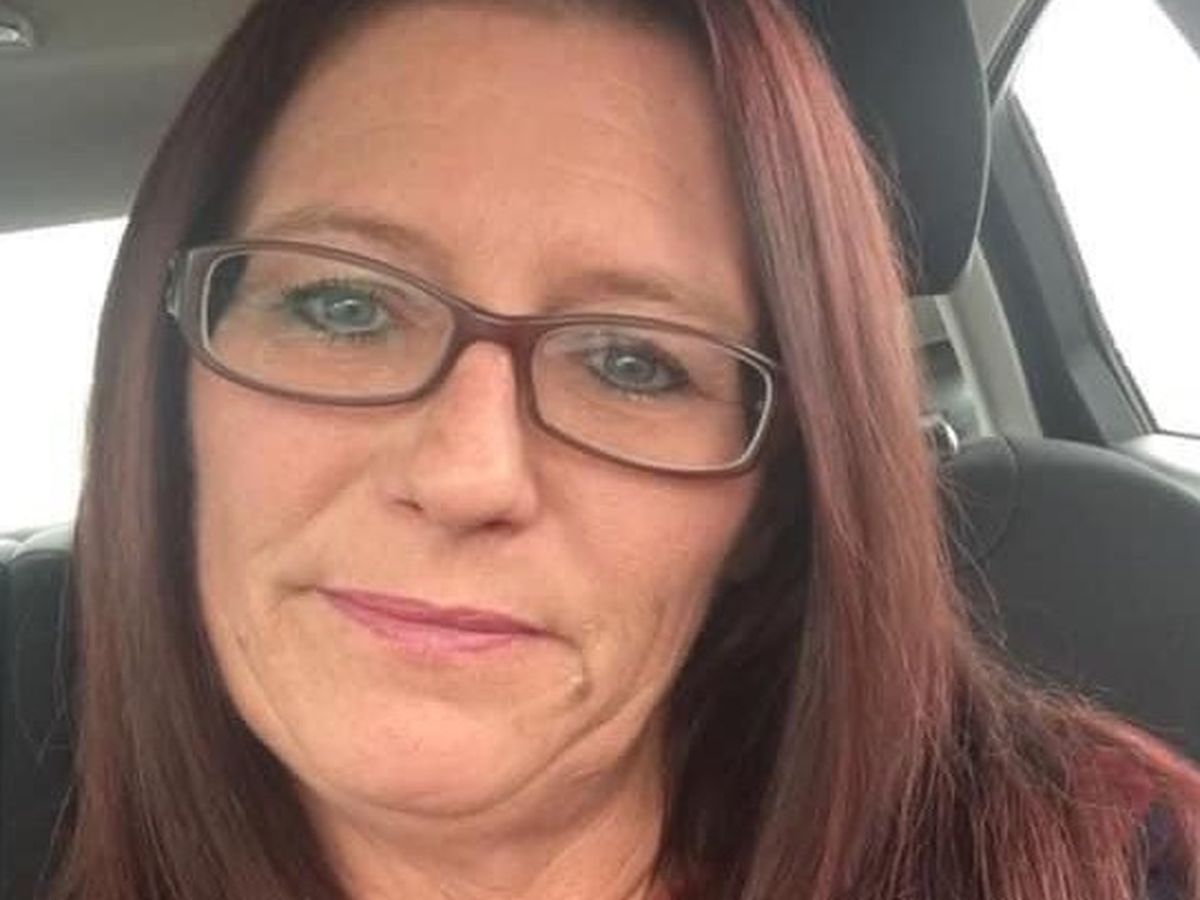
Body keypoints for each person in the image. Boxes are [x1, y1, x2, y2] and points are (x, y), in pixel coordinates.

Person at [45, 0, 1200, 897]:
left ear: (766, 510)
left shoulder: (1108, 864)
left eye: (632, 363)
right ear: (171, 392)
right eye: (344, 309)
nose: (464, 474)